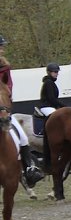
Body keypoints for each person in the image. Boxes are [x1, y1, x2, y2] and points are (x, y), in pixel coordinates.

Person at [0, 35, 44, 184]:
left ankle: (29, 169)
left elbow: (9, 86)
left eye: (2, 47)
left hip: (3, 109)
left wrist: (5, 101)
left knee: (23, 138)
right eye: (0, 47)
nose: (2, 49)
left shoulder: (5, 67)